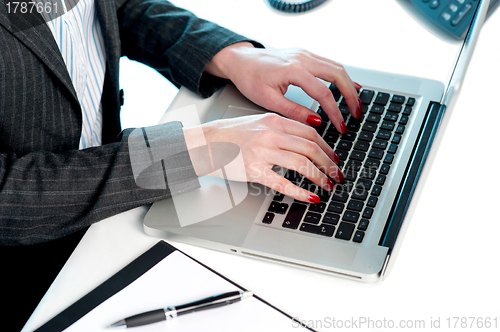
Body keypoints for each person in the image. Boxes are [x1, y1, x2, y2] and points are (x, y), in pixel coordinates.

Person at [0, 0, 360, 329]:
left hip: (110, 192)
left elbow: (115, 7)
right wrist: (195, 150)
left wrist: (229, 56)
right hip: (40, 263)